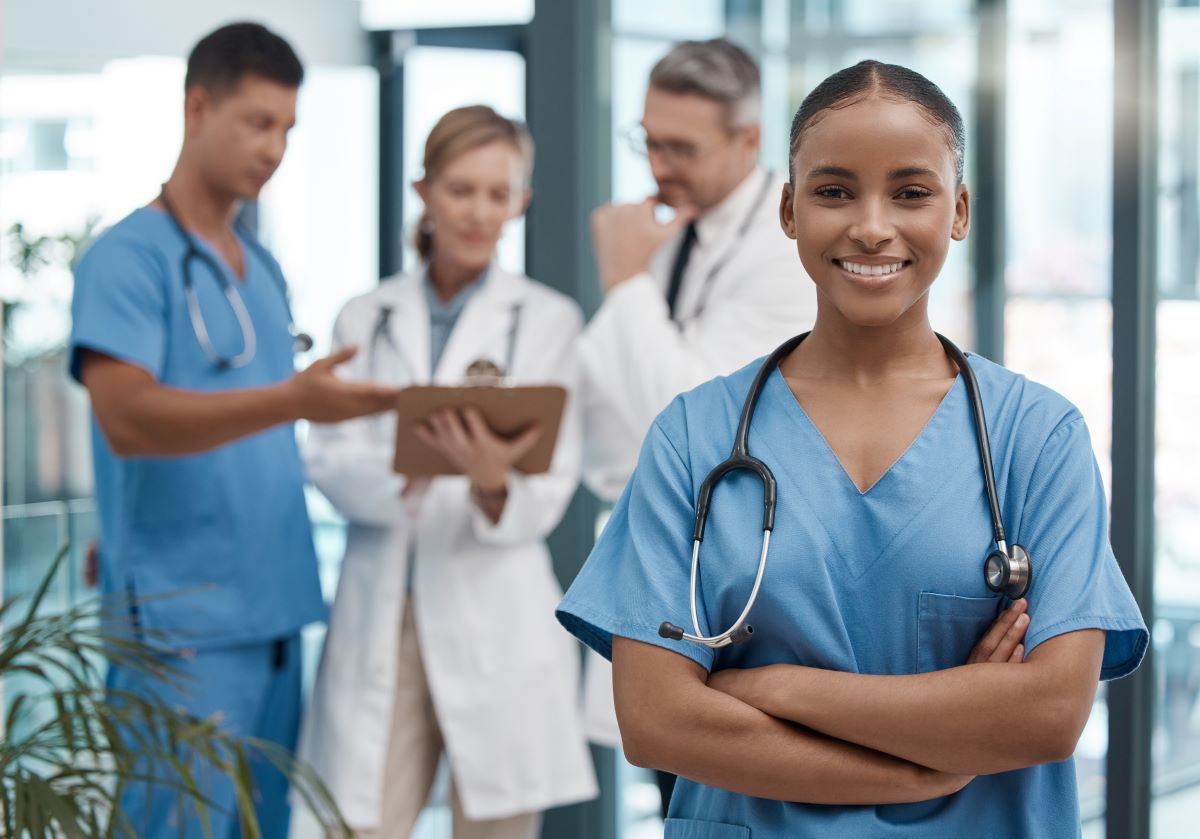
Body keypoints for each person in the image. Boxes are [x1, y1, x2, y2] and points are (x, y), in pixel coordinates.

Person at [557, 60, 1148, 837]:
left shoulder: (1037, 437)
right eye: (835, 191)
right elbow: (656, 721)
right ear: (790, 209)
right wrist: (928, 765)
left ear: (959, 210)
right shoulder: (694, 435)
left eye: (911, 192)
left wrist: (778, 688)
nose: (871, 226)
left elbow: (1048, 713)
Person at [68, 23, 400, 838]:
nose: (274, 148)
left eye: (287, 128)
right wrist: (293, 400)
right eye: (257, 123)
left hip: (274, 615)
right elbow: (127, 418)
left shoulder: (262, 270)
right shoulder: (128, 259)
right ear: (196, 108)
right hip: (179, 630)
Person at [297, 105, 597, 839]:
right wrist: (411, 471)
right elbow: (328, 456)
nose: (479, 212)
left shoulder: (548, 320)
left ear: (521, 202)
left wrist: (491, 480)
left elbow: (550, 485)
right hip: (385, 609)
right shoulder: (366, 317)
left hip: (492, 613)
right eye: (461, 190)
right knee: (357, 825)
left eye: (499, 194)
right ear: (424, 192)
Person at [579, 38, 818, 811]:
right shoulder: (672, 235)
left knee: (742, 802)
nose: (658, 165)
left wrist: (624, 283)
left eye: (681, 147)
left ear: (750, 140)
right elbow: (609, 427)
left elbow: (695, 424)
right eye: (648, 141)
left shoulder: (788, 250)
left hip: (745, 584)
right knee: (677, 799)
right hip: (664, 567)